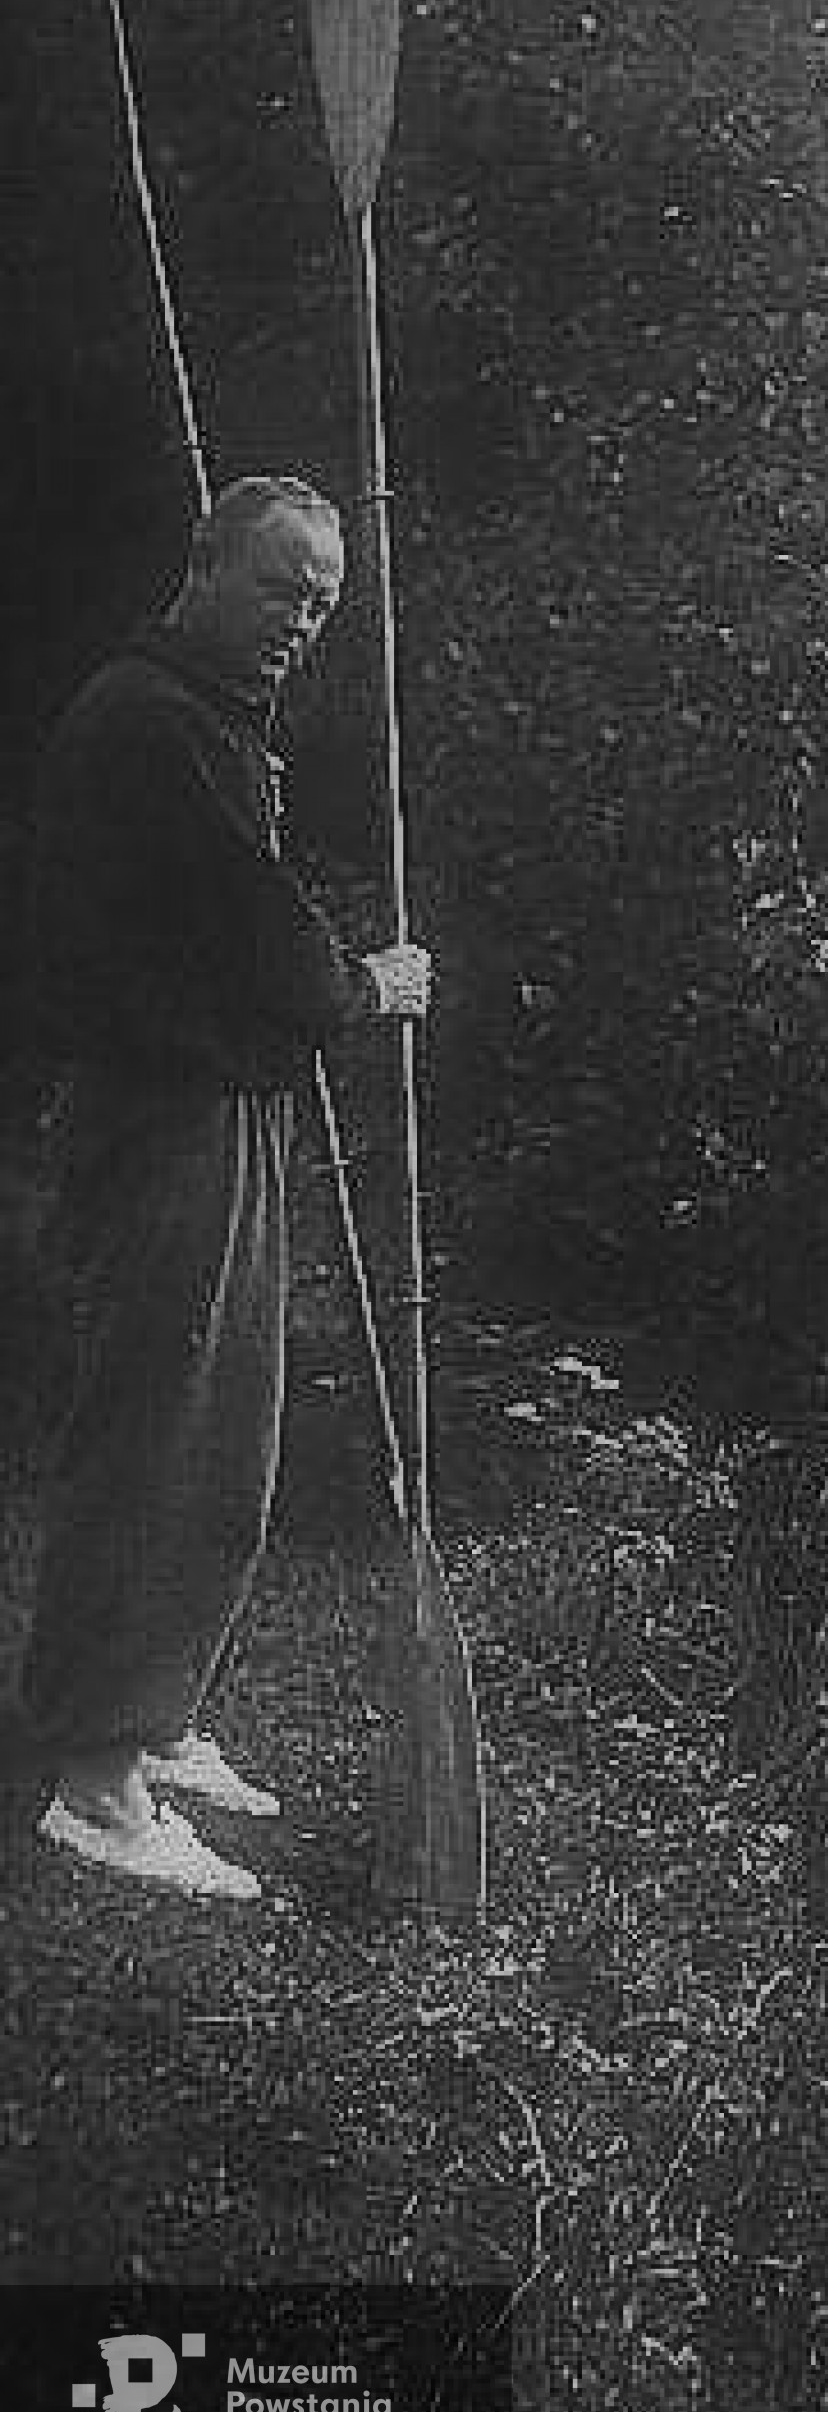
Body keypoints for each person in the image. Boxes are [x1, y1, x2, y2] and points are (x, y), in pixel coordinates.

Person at [17, 474, 430, 1902]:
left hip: (213, 1101)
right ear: (205, 566)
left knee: (225, 1418)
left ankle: (153, 1710)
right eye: (279, 586)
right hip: (161, 1111)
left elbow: (236, 910)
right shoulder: (153, 721)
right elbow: (264, 938)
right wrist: (362, 984)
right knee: (160, 1419)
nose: (299, 621)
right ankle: (95, 1781)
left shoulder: (207, 723)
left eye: (321, 602)